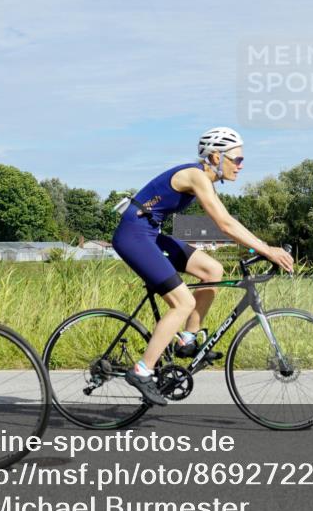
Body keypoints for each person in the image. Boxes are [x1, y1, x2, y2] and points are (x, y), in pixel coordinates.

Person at [112, 126, 294, 406]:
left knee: (212, 270)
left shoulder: (203, 179)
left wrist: (263, 247)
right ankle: (142, 370)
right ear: (215, 157)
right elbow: (225, 224)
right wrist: (267, 249)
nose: (241, 165)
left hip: (148, 234)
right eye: (237, 159)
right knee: (183, 303)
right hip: (133, 237)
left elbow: (227, 221)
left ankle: (187, 339)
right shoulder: (196, 176)